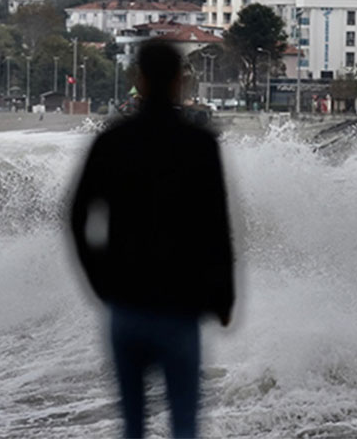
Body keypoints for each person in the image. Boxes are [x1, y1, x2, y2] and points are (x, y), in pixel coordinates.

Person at [69, 40, 234, 439]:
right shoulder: (200, 145)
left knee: (133, 426)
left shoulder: (112, 141)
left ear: (139, 79)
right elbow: (215, 226)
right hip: (180, 305)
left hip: (127, 304)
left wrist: (100, 281)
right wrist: (223, 296)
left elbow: (77, 216)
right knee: (184, 426)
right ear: (180, 80)